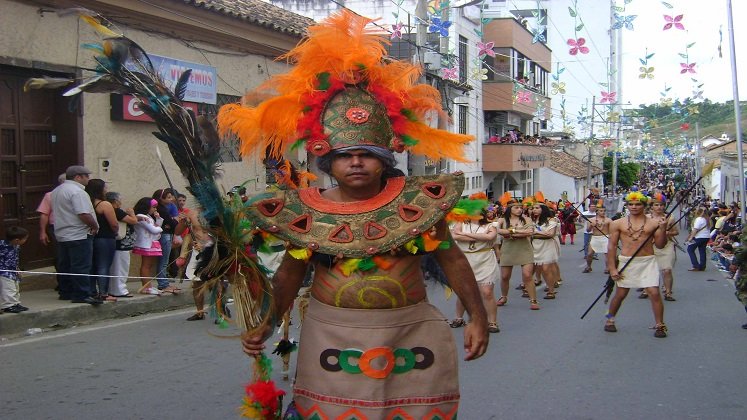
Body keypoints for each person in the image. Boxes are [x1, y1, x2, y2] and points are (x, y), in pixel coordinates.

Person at [230, 11, 488, 417]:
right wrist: (267, 321)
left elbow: (451, 258)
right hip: (331, 335)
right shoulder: (306, 212)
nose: (356, 163)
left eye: (367, 154)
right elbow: (289, 274)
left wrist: (478, 317)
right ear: (326, 162)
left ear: (385, 159)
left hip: (410, 333)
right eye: (345, 156)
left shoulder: (418, 205)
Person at [605, 191, 669, 338]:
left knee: (654, 292)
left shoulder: (654, 223)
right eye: (631, 204)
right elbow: (611, 246)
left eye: (638, 204)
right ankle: (609, 319)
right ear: (627, 205)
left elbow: (660, 245)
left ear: (645, 206)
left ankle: (660, 325)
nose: (634, 207)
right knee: (621, 294)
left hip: (647, 261)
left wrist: (663, 229)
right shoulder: (617, 223)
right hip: (626, 261)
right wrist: (612, 268)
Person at [51, 165, 101, 305]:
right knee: (81, 265)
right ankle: (81, 294)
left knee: (65, 264)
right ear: (78, 177)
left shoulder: (57, 190)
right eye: (86, 176)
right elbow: (83, 213)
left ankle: (65, 291)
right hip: (78, 233)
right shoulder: (77, 192)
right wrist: (94, 225)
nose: (88, 179)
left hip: (62, 232)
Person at [449, 200, 500, 333]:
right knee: (464, 292)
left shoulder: (491, 225)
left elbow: (490, 237)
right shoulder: (461, 224)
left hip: (485, 260)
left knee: (487, 292)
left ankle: (492, 322)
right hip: (466, 260)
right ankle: (458, 318)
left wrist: (465, 235)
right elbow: (455, 235)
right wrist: (479, 237)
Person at [495, 194, 538, 310]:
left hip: (525, 249)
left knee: (527, 275)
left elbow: (529, 232)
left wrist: (510, 232)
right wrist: (517, 231)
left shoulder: (527, 219)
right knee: (504, 276)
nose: (519, 210)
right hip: (508, 249)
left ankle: (533, 300)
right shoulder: (502, 219)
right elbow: (498, 231)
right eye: (516, 208)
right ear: (510, 209)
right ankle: (504, 296)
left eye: (520, 208)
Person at [85, 179, 119, 302]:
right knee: (104, 265)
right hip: (105, 237)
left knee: (92, 265)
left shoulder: (87, 202)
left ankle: (91, 290)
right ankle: (104, 293)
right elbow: (114, 224)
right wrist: (115, 231)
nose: (106, 190)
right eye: (105, 187)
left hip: (91, 237)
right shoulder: (104, 204)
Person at [644, 193, 679, 301]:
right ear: (652, 207)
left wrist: (665, 232)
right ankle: (646, 289)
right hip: (651, 246)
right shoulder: (646, 218)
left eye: (661, 205)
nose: (659, 207)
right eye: (656, 205)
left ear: (664, 206)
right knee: (649, 269)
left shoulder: (670, 217)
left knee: (667, 270)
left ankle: (668, 292)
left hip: (666, 245)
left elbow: (676, 232)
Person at [106, 192, 138, 298]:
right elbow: (133, 221)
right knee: (121, 267)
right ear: (115, 201)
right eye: (120, 200)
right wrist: (131, 213)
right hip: (121, 244)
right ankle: (120, 290)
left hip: (117, 244)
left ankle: (113, 289)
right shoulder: (116, 211)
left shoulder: (110, 210)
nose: (121, 202)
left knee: (115, 267)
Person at [151, 189, 182, 294]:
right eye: (168, 197)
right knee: (164, 261)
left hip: (167, 234)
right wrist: (173, 221)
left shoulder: (164, 208)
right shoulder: (161, 209)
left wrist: (173, 221)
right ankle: (163, 284)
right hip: (164, 235)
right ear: (161, 198)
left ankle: (164, 282)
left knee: (165, 260)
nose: (171, 199)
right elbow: (172, 222)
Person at [132, 198, 164, 295]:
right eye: (153, 207)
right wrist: (160, 228)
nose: (155, 209)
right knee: (146, 265)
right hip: (146, 244)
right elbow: (154, 230)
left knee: (149, 265)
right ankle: (146, 287)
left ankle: (148, 286)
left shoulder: (147, 216)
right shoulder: (141, 216)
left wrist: (158, 219)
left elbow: (156, 226)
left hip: (151, 242)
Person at [531, 200, 561, 299]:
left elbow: (550, 234)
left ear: (543, 209)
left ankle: (551, 290)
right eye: (533, 208)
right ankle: (529, 288)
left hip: (547, 245)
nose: (534, 210)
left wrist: (535, 232)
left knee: (546, 269)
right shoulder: (533, 220)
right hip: (535, 245)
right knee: (532, 268)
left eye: (537, 208)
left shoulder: (551, 220)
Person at [0, 226, 30, 313]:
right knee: (9, 289)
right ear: (17, 240)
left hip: (13, 271)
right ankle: (9, 305)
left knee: (16, 287)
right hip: (4, 272)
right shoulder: (2, 246)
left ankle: (15, 303)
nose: (25, 240)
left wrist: (17, 269)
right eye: (25, 239)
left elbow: (15, 258)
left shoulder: (16, 246)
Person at [583, 201, 611, 274]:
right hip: (595, 238)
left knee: (607, 254)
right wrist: (591, 225)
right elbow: (588, 230)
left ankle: (607, 268)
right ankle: (588, 267)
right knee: (589, 254)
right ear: (597, 211)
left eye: (604, 211)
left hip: (605, 238)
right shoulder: (592, 220)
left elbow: (612, 230)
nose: (603, 212)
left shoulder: (608, 220)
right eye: (601, 211)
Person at [686, 207, 711, 271]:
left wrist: (691, 237)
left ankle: (695, 265)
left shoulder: (699, 219)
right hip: (706, 237)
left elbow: (695, 229)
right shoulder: (708, 219)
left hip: (698, 237)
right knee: (702, 250)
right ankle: (702, 266)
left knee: (690, 249)